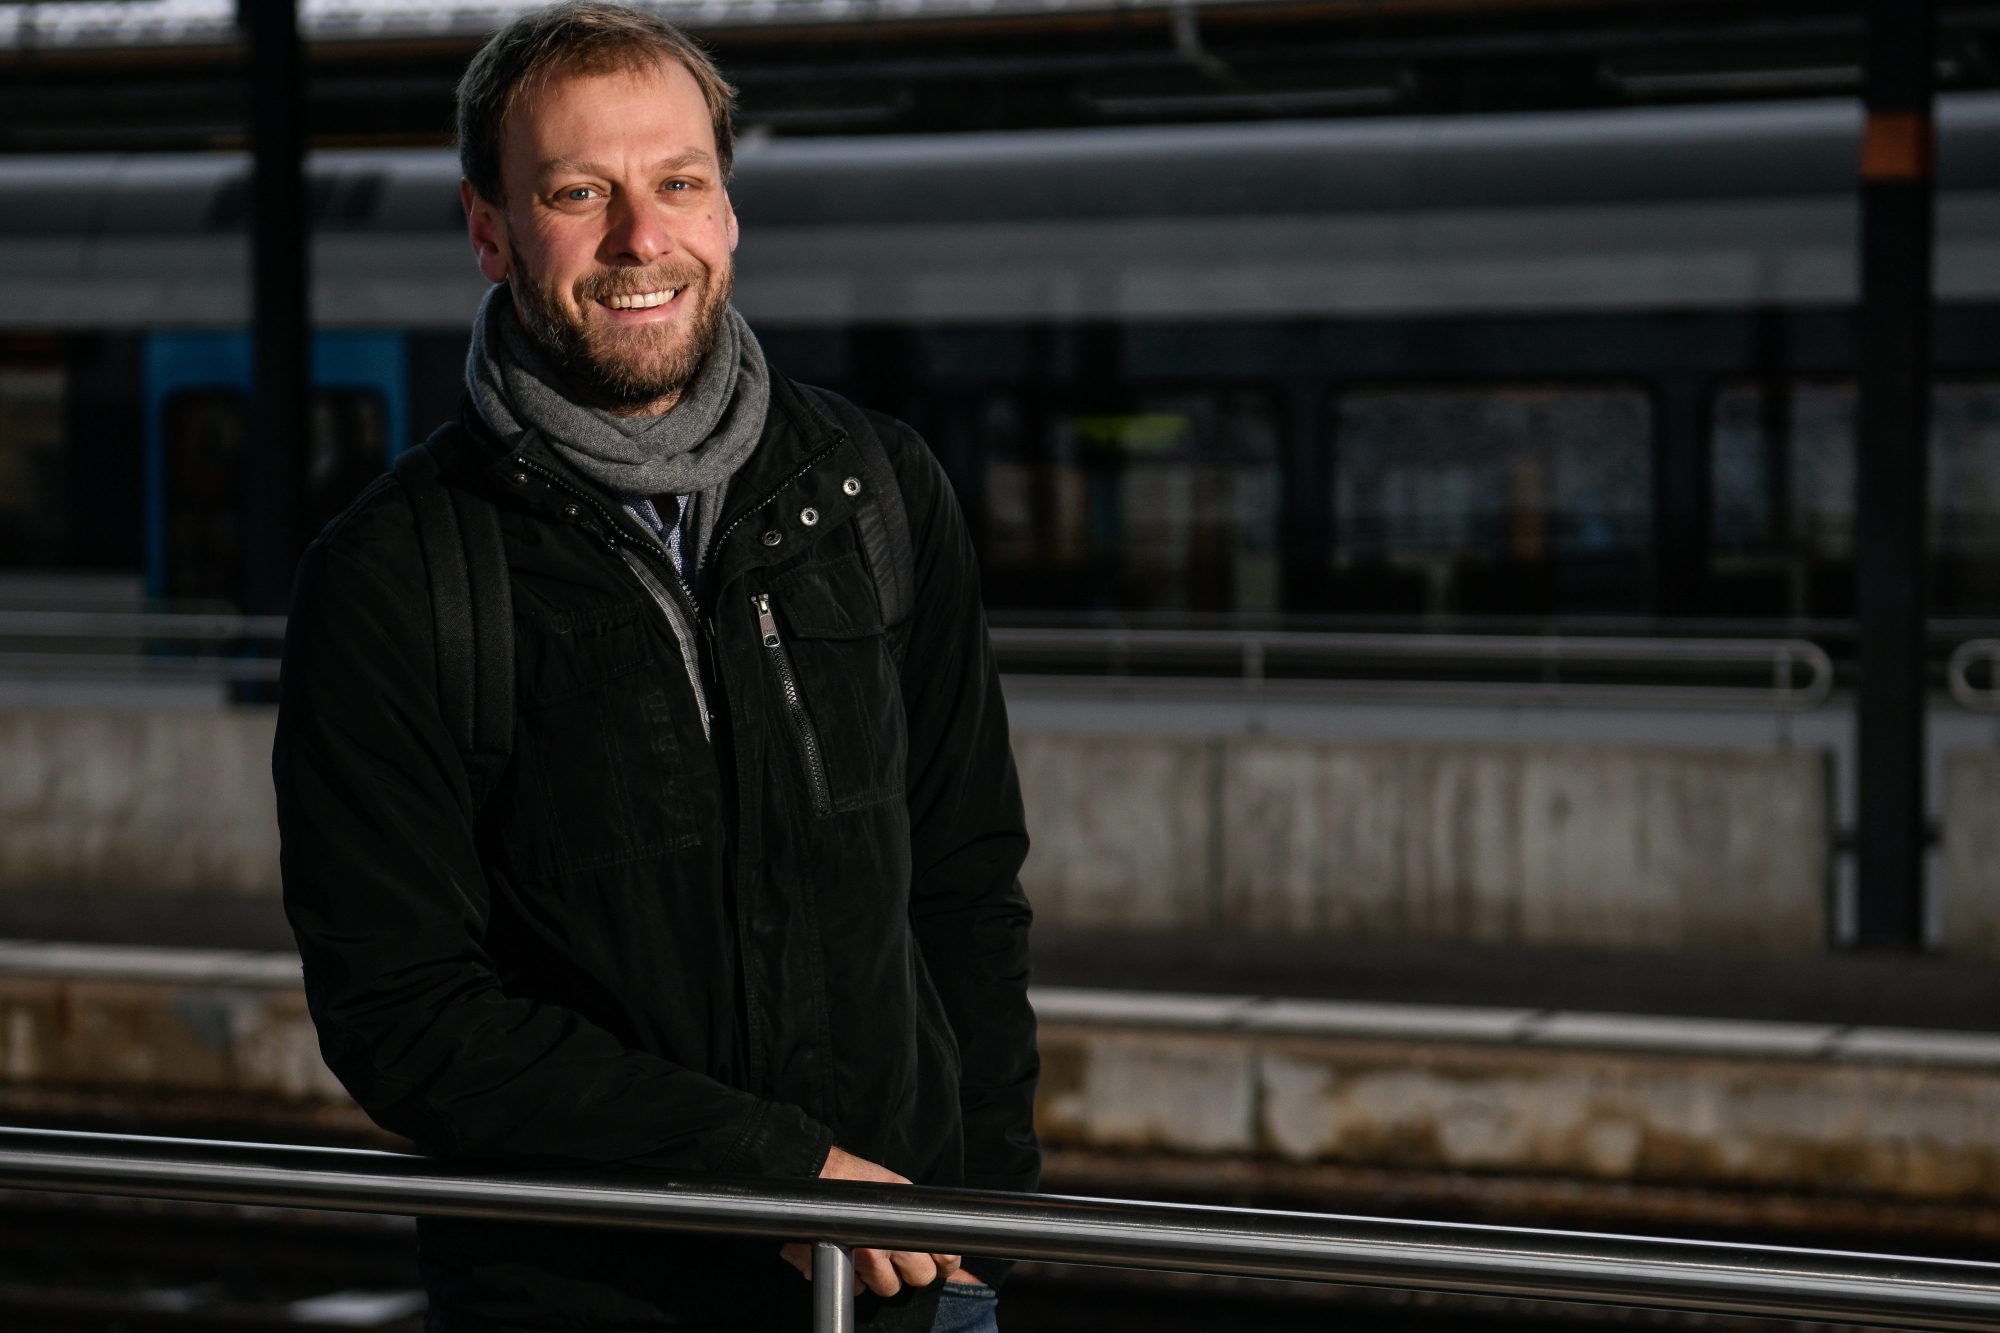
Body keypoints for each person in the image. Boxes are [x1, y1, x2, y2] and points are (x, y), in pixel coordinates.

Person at [271, 5, 1039, 1329]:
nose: (643, 238)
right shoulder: (395, 573)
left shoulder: (876, 491)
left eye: (680, 183)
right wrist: (773, 1174)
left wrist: (991, 1229)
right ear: (491, 230)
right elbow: (405, 1012)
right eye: (581, 193)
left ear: (728, 213)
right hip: (582, 1300)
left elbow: (966, 884)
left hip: (910, 1286)